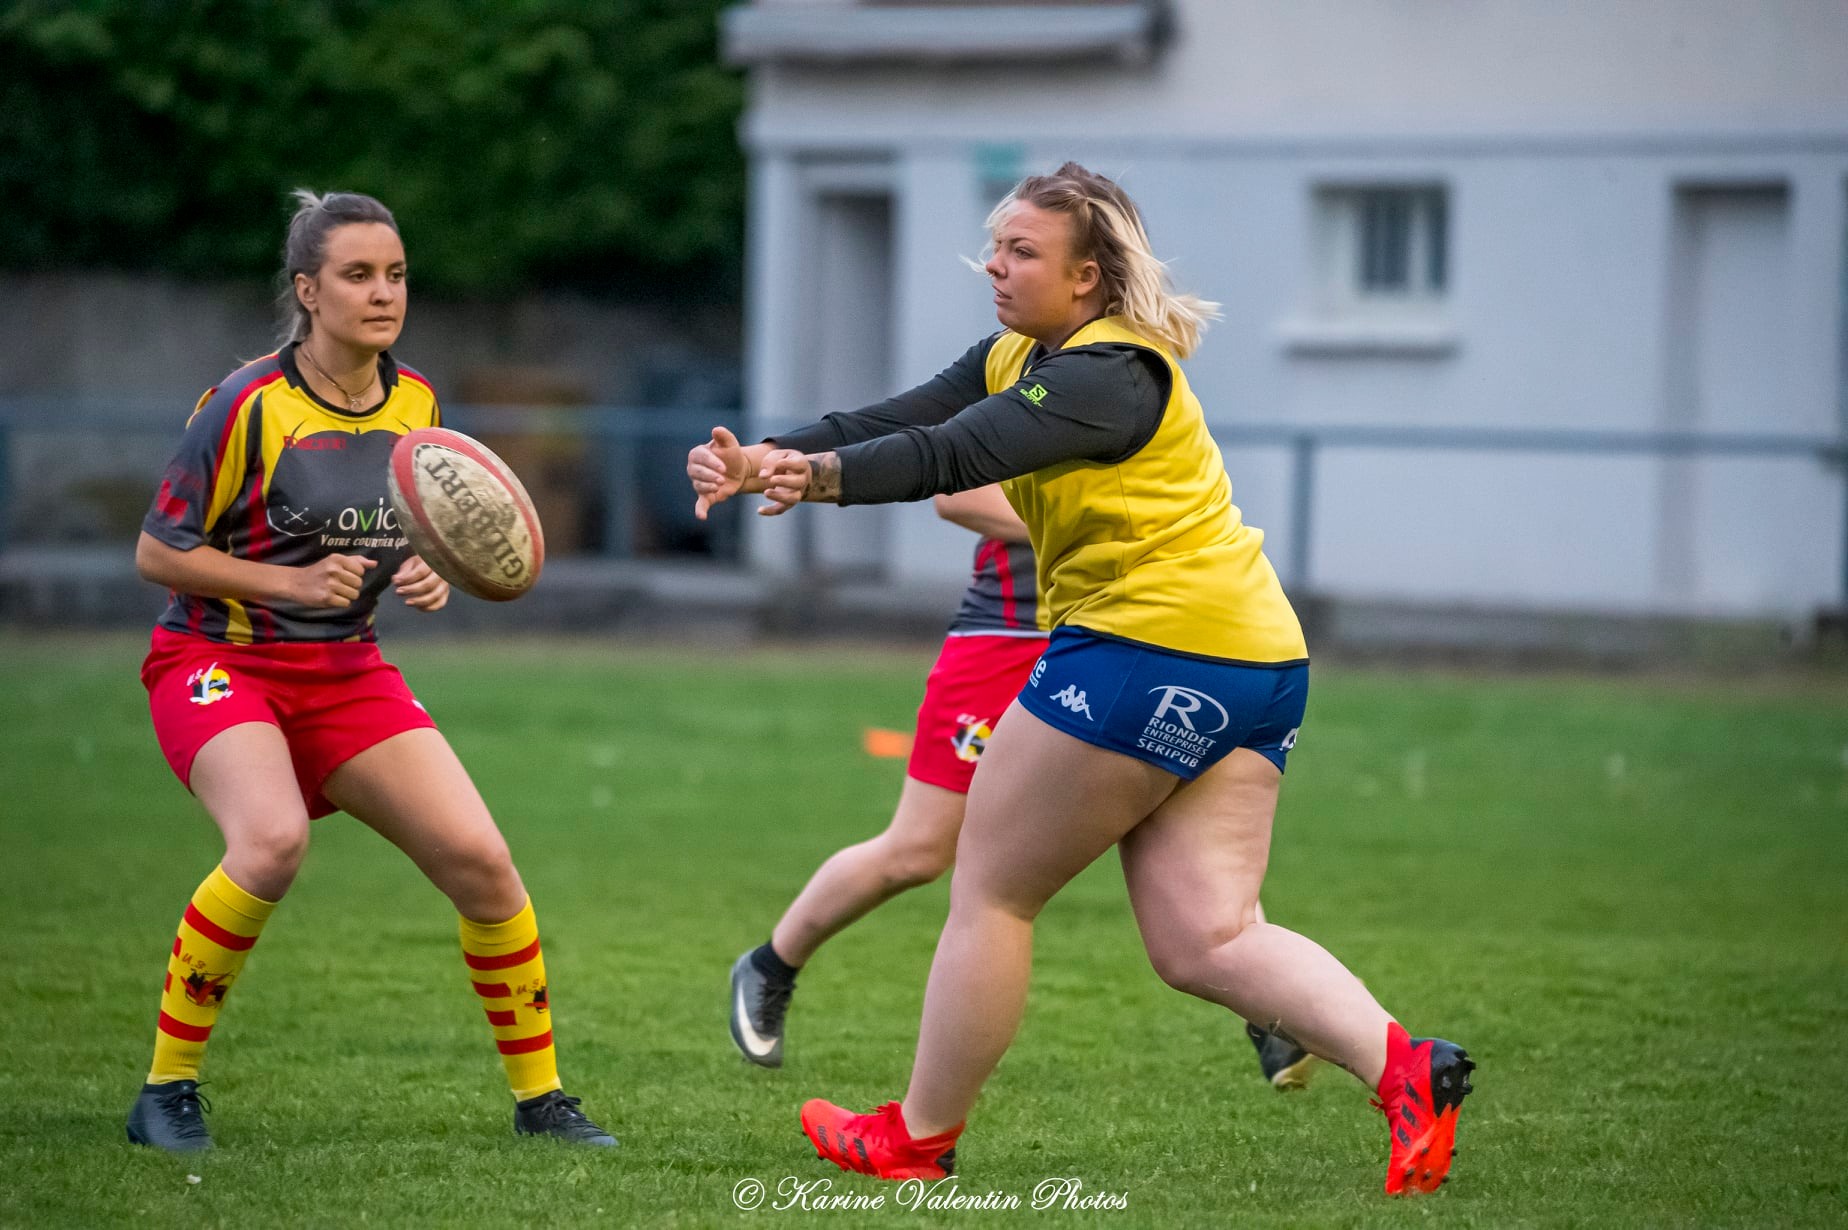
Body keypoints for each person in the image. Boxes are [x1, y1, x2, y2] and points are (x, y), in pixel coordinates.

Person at [689, 163, 1470, 1195]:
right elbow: (902, 414)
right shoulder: (1025, 351)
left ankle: (918, 1140)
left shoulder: (1109, 374)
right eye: (996, 244)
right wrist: (765, 457)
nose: (995, 265)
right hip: (1257, 659)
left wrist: (816, 481)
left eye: (1021, 252)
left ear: (1090, 277)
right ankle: (1407, 1071)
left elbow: (950, 455)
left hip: (1149, 648)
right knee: (1209, 938)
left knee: (994, 892)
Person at [126, 190, 614, 1152]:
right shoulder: (244, 406)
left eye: (395, 275)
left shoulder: (418, 405)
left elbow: (406, 531)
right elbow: (157, 552)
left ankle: (543, 1102)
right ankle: (165, 1093)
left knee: (484, 866)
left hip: (346, 670)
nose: (383, 293)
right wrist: (288, 585)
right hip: (219, 660)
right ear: (308, 291)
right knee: (268, 845)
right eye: (357, 276)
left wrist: (428, 566)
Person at [728, 487, 1318, 1092]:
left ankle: (1269, 1015)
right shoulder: (1018, 392)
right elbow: (957, 501)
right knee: (919, 850)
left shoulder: (1155, 400)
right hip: (1007, 637)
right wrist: (1100, 529)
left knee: (1168, 816)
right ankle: (771, 965)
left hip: (1126, 639)